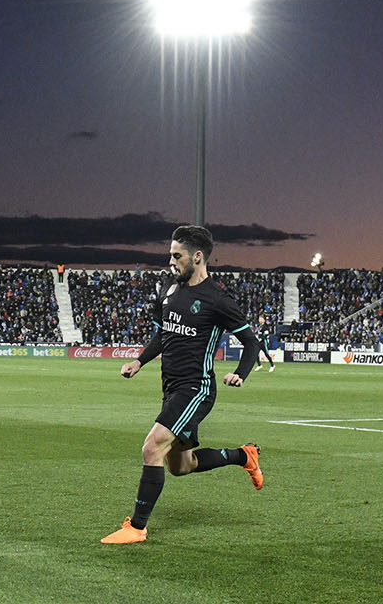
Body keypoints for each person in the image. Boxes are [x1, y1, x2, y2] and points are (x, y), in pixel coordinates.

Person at [102, 225, 266, 545]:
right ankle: (244, 456)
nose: (171, 261)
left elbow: (250, 342)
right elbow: (162, 334)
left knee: (151, 448)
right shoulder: (168, 289)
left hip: (196, 389)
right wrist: (139, 361)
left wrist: (240, 373)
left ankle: (137, 527)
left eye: (177, 255)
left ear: (198, 257)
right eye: (171, 254)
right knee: (181, 466)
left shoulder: (217, 300)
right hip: (171, 389)